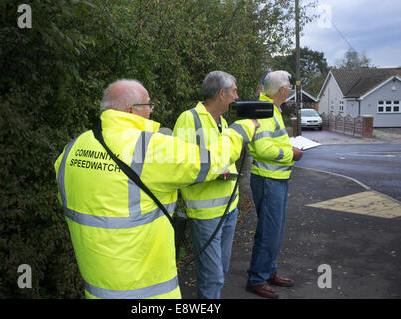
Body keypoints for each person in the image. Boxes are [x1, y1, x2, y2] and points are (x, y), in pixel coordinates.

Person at [54, 79, 259, 299]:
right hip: (146, 290)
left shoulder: (74, 147)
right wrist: (241, 129)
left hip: (97, 287)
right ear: (132, 110)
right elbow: (212, 160)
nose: (151, 110)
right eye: (148, 105)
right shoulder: (146, 147)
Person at [173, 71, 241, 299]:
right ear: (222, 94)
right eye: (234, 92)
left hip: (229, 209)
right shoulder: (189, 119)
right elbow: (180, 166)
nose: (237, 96)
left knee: (220, 272)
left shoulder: (222, 120)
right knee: (212, 278)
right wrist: (213, 172)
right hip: (206, 214)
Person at [245, 70, 303, 299]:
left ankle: (267, 272)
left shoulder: (271, 109)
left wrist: (290, 147)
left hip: (274, 179)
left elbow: (271, 142)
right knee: (269, 232)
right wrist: (291, 154)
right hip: (269, 179)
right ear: (282, 90)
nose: (289, 88)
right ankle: (257, 279)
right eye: (288, 85)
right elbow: (262, 148)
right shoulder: (265, 111)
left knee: (274, 231)